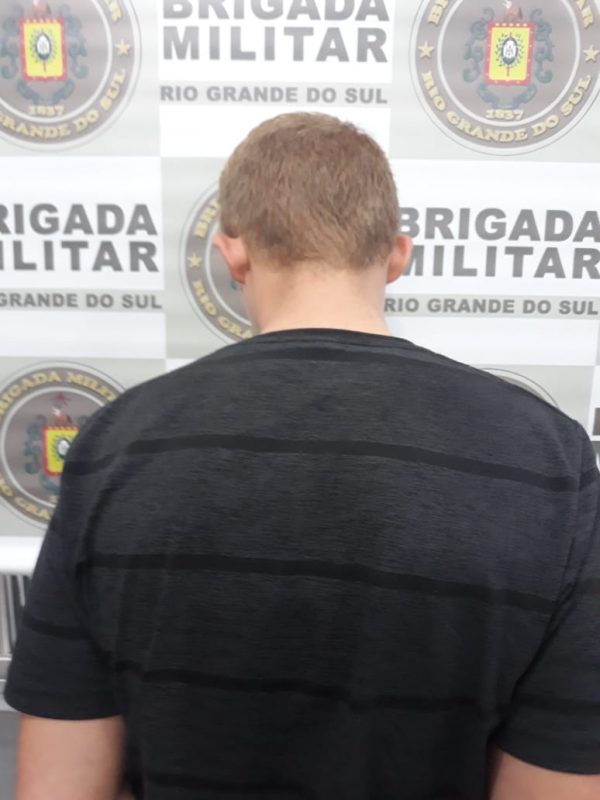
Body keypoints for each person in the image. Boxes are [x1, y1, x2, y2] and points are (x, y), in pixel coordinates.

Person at [5, 113, 600, 800]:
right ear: (397, 256)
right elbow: (556, 781)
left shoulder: (114, 445)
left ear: (232, 255)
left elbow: (58, 784)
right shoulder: (549, 463)